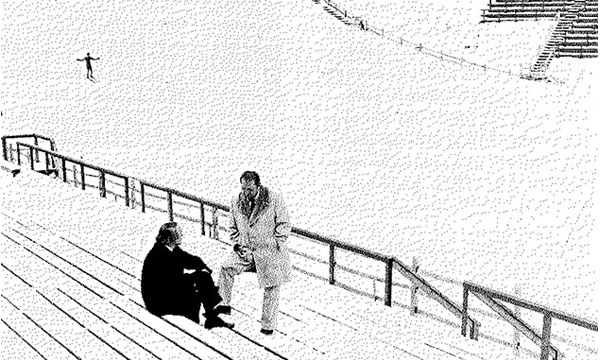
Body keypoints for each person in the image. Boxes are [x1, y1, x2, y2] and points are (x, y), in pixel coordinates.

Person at [217, 171, 291, 335]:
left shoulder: (274, 199)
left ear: (258, 186)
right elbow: (232, 227)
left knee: (272, 285)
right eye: (243, 188)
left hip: (269, 252)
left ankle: (267, 326)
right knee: (226, 268)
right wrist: (237, 244)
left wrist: (276, 243)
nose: (246, 192)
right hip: (245, 250)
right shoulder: (236, 200)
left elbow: (284, 224)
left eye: (249, 189)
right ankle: (222, 310)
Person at [141, 222, 233, 329]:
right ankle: (209, 317)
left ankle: (211, 316)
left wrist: (204, 268)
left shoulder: (171, 249)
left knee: (201, 279)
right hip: (158, 301)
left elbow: (189, 259)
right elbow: (171, 282)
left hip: (168, 291)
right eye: (179, 233)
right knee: (195, 290)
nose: (182, 235)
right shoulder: (159, 255)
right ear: (171, 238)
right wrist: (196, 278)